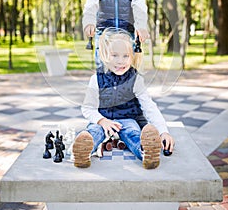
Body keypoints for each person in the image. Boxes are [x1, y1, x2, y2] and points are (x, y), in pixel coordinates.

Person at [72, 28, 174, 169]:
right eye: (115, 55)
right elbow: (87, 108)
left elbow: (149, 106)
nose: (120, 61)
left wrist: (163, 131)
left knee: (133, 133)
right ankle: (83, 152)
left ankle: (146, 152)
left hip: (127, 120)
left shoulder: (135, 79)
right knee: (94, 132)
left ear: (132, 56)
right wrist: (102, 121)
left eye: (125, 56)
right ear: (105, 55)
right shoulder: (96, 79)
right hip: (103, 120)